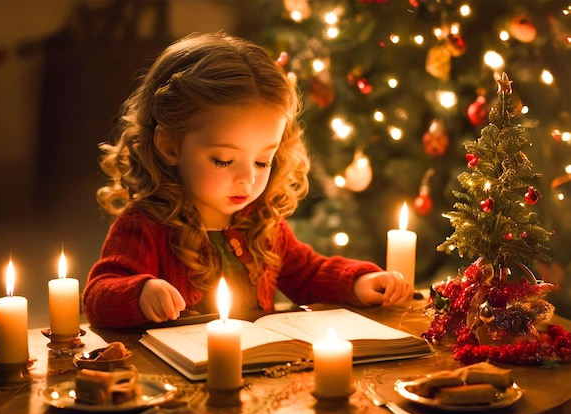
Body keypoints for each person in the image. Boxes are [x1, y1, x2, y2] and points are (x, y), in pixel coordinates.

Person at [82, 31, 413, 328]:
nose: (248, 179)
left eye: (262, 160)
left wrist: (358, 282)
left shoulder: (260, 222)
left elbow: (308, 274)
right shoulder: (145, 226)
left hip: (258, 377)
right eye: (224, 160)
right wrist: (139, 293)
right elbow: (98, 295)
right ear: (170, 145)